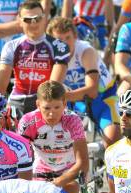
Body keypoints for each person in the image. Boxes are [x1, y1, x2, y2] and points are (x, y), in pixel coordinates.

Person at [18, 80, 95, 193]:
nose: (52, 113)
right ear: (38, 104)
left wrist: (58, 182)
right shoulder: (28, 122)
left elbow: (83, 164)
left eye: (57, 107)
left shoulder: (72, 121)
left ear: (65, 104)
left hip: (70, 169)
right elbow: (22, 160)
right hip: (41, 169)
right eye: (46, 108)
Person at [47, 17, 121, 146]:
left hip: (103, 100)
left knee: (112, 138)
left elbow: (92, 91)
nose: (64, 44)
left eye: (68, 38)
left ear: (75, 37)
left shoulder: (86, 51)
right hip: (74, 102)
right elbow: (50, 91)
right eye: (59, 40)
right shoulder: (49, 54)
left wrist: (60, 96)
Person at [0, 0, 70, 120]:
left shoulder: (59, 46)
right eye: (28, 20)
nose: (34, 23)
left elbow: (53, 88)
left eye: (37, 19)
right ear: (20, 20)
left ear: (44, 18)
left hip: (44, 103)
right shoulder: (11, 46)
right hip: (16, 102)